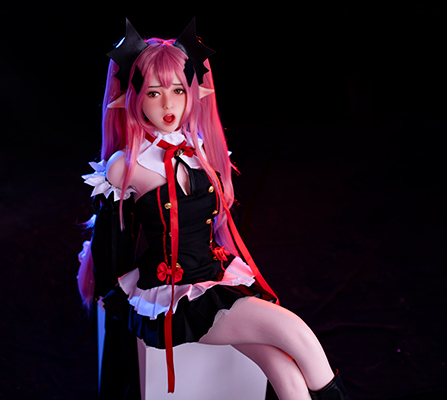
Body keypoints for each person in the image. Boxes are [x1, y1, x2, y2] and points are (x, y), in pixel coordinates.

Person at [78, 19, 351, 400]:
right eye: (154, 93)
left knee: (285, 370)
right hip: (173, 296)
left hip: (216, 277)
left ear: (194, 92)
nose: (168, 104)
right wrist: (112, 301)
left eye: (178, 90)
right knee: (297, 336)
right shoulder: (125, 167)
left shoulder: (200, 150)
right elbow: (112, 247)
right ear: (134, 96)